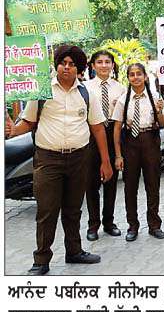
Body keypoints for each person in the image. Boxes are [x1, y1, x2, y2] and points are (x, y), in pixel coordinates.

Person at [9, 45, 113, 276]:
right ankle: (41, 260)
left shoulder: (87, 94)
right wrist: (13, 130)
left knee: (73, 209)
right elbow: (29, 122)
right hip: (48, 159)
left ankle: (74, 251)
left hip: (79, 158)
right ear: (56, 65)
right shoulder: (42, 92)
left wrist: (105, 161)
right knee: (47, 211)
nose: (67, 67)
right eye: (63, 63)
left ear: (79, 68)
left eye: (72, 64)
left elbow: (97, 129)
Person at [112, 63, 164, 242]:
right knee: (130, 187)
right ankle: (132, 226)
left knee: (153, 185)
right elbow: (117, 128)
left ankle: (154, 225)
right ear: (128, 78)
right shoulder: (123, 100)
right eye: (132, 74)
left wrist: (160, 111)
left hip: (150, 141)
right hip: (130, 143)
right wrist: (118, 155)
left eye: (139, 74)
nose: (135, 77)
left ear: (145, 76)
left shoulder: (155, 96)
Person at [83, 50, 125, 241]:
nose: (104, 65)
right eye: (99, 62)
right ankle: (93, 225)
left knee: (111, 181)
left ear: (112, 65)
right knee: (91, 183)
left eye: (107, 62)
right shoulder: (84, 87)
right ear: (93, 65)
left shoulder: (121, 88)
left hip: (113, 134)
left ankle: (109, 222)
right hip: (91, 136)